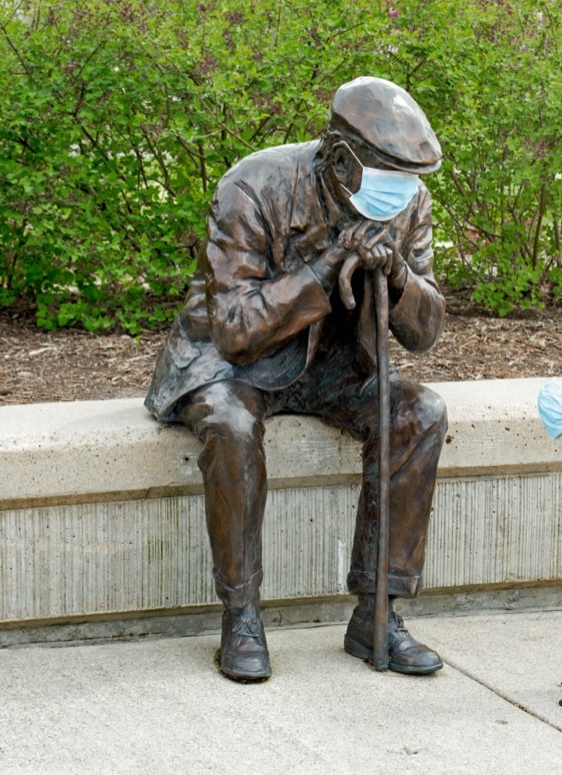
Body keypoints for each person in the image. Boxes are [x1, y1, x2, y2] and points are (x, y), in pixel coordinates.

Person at [145, 76, 448, 682]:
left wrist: (397, 281)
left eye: (408, 181)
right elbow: (235, 329)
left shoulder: (407, 202)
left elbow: (426, 330)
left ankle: (377, 613)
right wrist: (327, 264)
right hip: (231, 363)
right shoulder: (253, 187)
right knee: (230, 426)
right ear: (340, 159)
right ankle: (241, 613)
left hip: (334, 365)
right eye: (386, 177)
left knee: (421, 412)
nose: (401, 193)